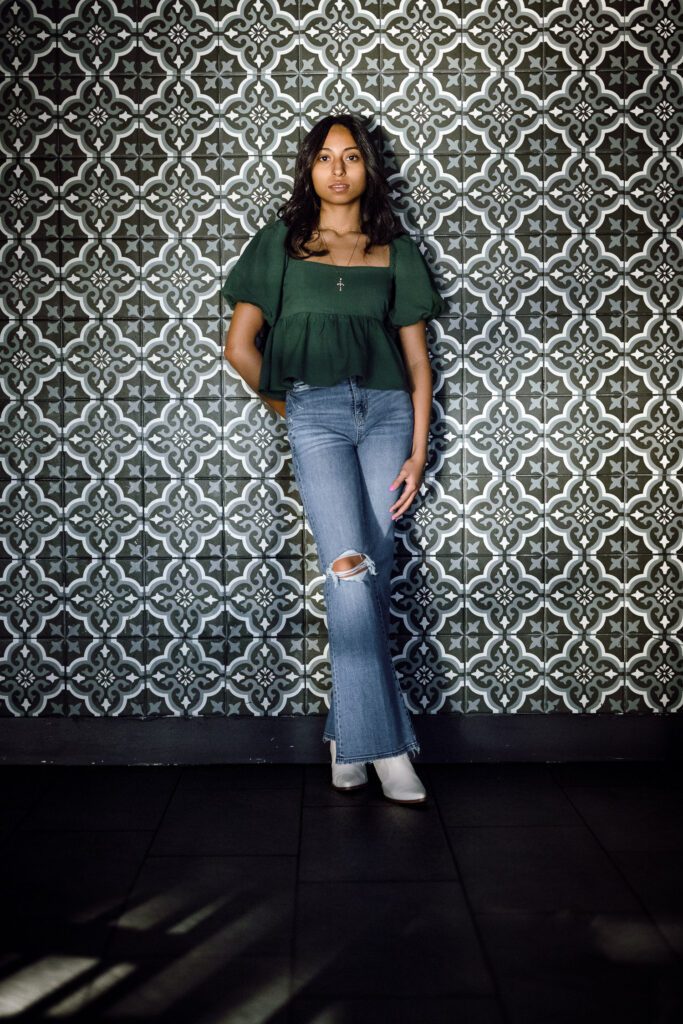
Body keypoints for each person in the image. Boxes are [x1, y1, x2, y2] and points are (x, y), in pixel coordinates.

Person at [221, 113, 444, 804]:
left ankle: (348, 736)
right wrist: (299, 418)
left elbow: (416, 361)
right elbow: (239, 347)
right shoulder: (280, 245)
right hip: (314, 412)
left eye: (351, 157)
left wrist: (416, 450)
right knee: (348, 574)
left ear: (367, 170)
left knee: (369, 582)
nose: (338, 170)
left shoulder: (392, 250)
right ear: (309, 169)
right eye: (324, 157)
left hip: (385, 415)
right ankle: (388, 750)